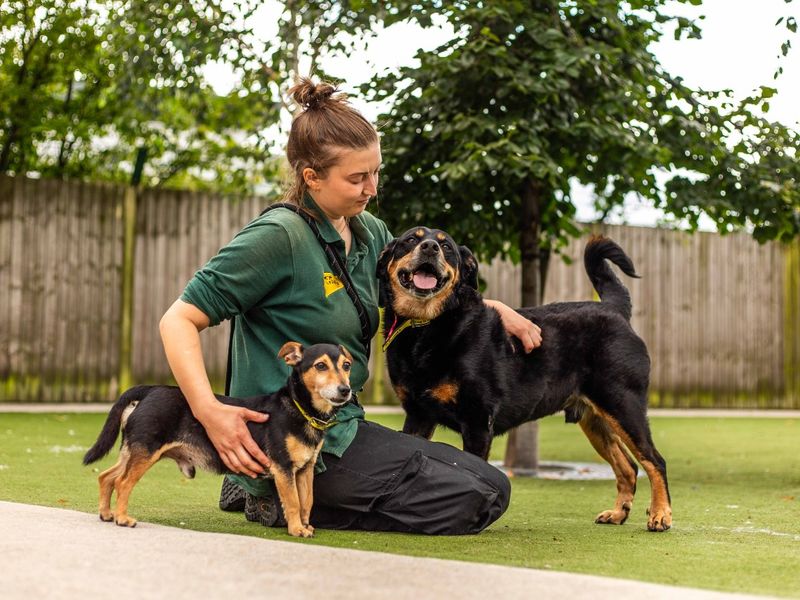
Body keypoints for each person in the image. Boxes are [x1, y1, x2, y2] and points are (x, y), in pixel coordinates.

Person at [159, 77, 542, 534]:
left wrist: (493, 307)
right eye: (357, 178)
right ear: (311, 177)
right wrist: (209, 412)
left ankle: (268, 492)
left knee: (489, 482)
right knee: (474, 497)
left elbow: (417, 291)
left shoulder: (369, 232)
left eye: (375, 172)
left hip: (341, 427)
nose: (371, 188)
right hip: (289, 434)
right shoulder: (277, 236)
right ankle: (274, 494)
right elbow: (178, 318)